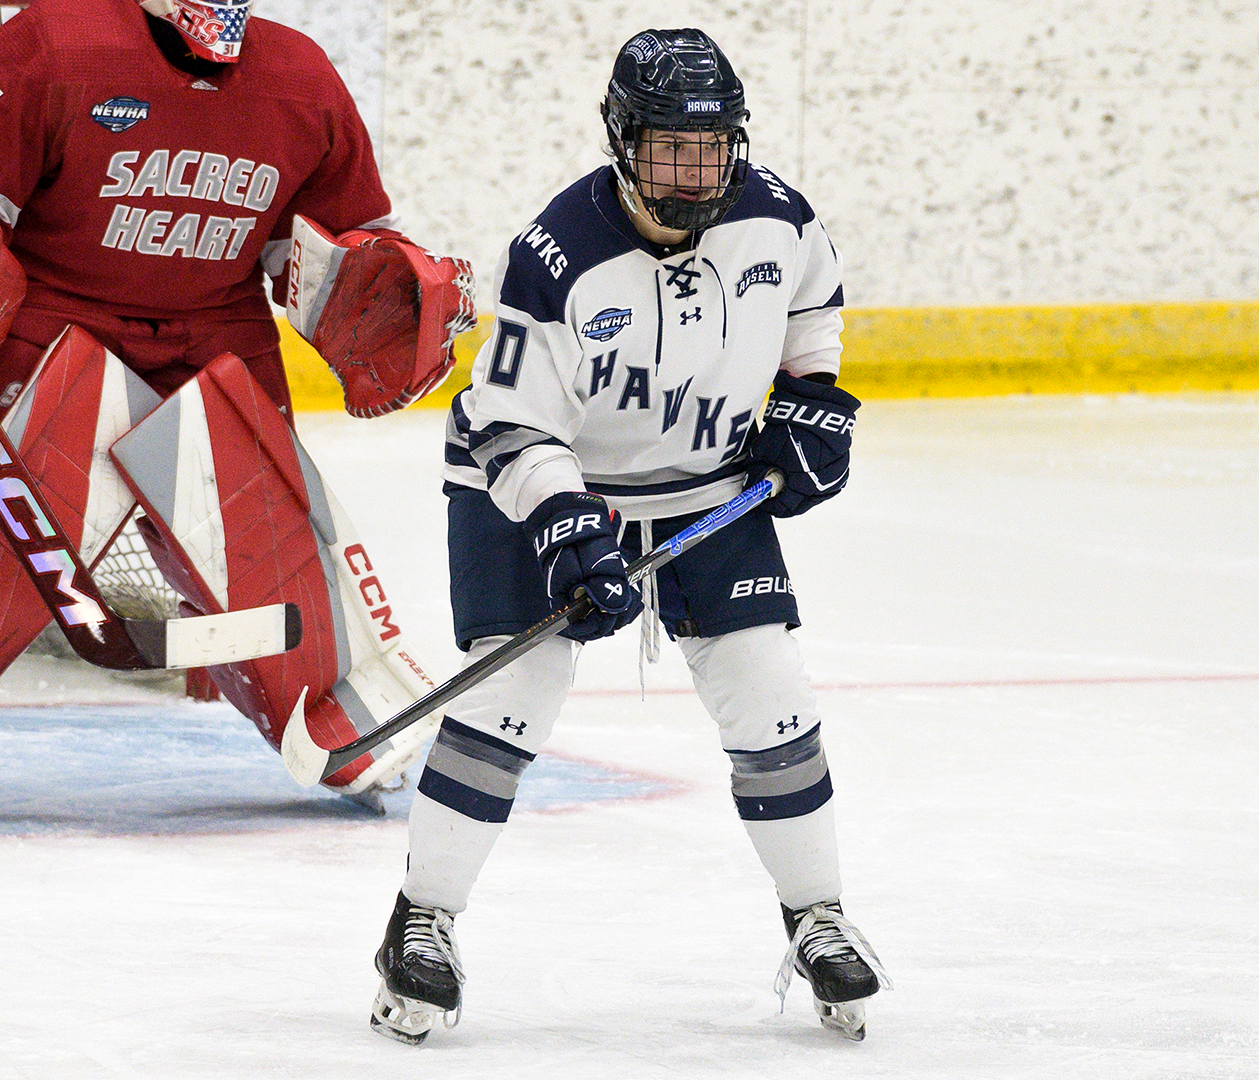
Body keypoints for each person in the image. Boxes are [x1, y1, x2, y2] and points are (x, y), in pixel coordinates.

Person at [0, 0, 471, 825]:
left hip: (215, 338)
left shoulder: (300, 79)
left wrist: (391, 292)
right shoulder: (57, 41)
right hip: (56, 331)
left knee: (272, 536)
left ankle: (344, 709)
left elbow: (336, 242)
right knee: (22, 528)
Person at [366, 27, 888, 1046]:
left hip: (706, 488)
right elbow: (511, 422)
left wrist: (813, 401)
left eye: (714, 149)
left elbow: (813, 303)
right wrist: (568, 529)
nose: (697, 175)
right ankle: (421, 923)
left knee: (770, 695)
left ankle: (818, 915)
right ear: (622, 142)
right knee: (511, 701)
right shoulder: (558, 252)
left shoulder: (778, 217)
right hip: (537, 480)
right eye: (669, 151)